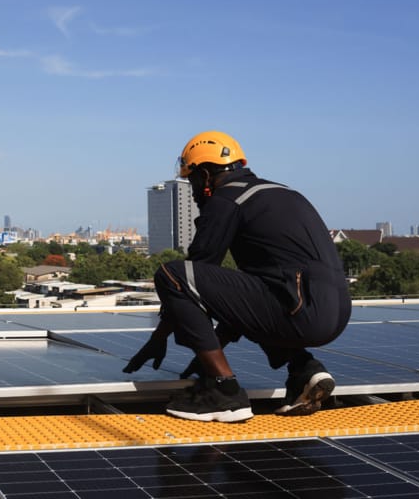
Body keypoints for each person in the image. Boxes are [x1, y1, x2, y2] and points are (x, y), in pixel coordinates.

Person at [125, 131, 351, 422]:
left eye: (192, 181)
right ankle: (304, 370)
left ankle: (224, 393)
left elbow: (189, 278)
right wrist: (209, 348)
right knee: (255, 288)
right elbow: (240, 305)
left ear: (206, 175)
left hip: (298, 310)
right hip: (334, 311)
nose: (192, 193)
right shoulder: (281, 193)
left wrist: (161, 336)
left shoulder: (228, 198)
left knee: (171, 272)